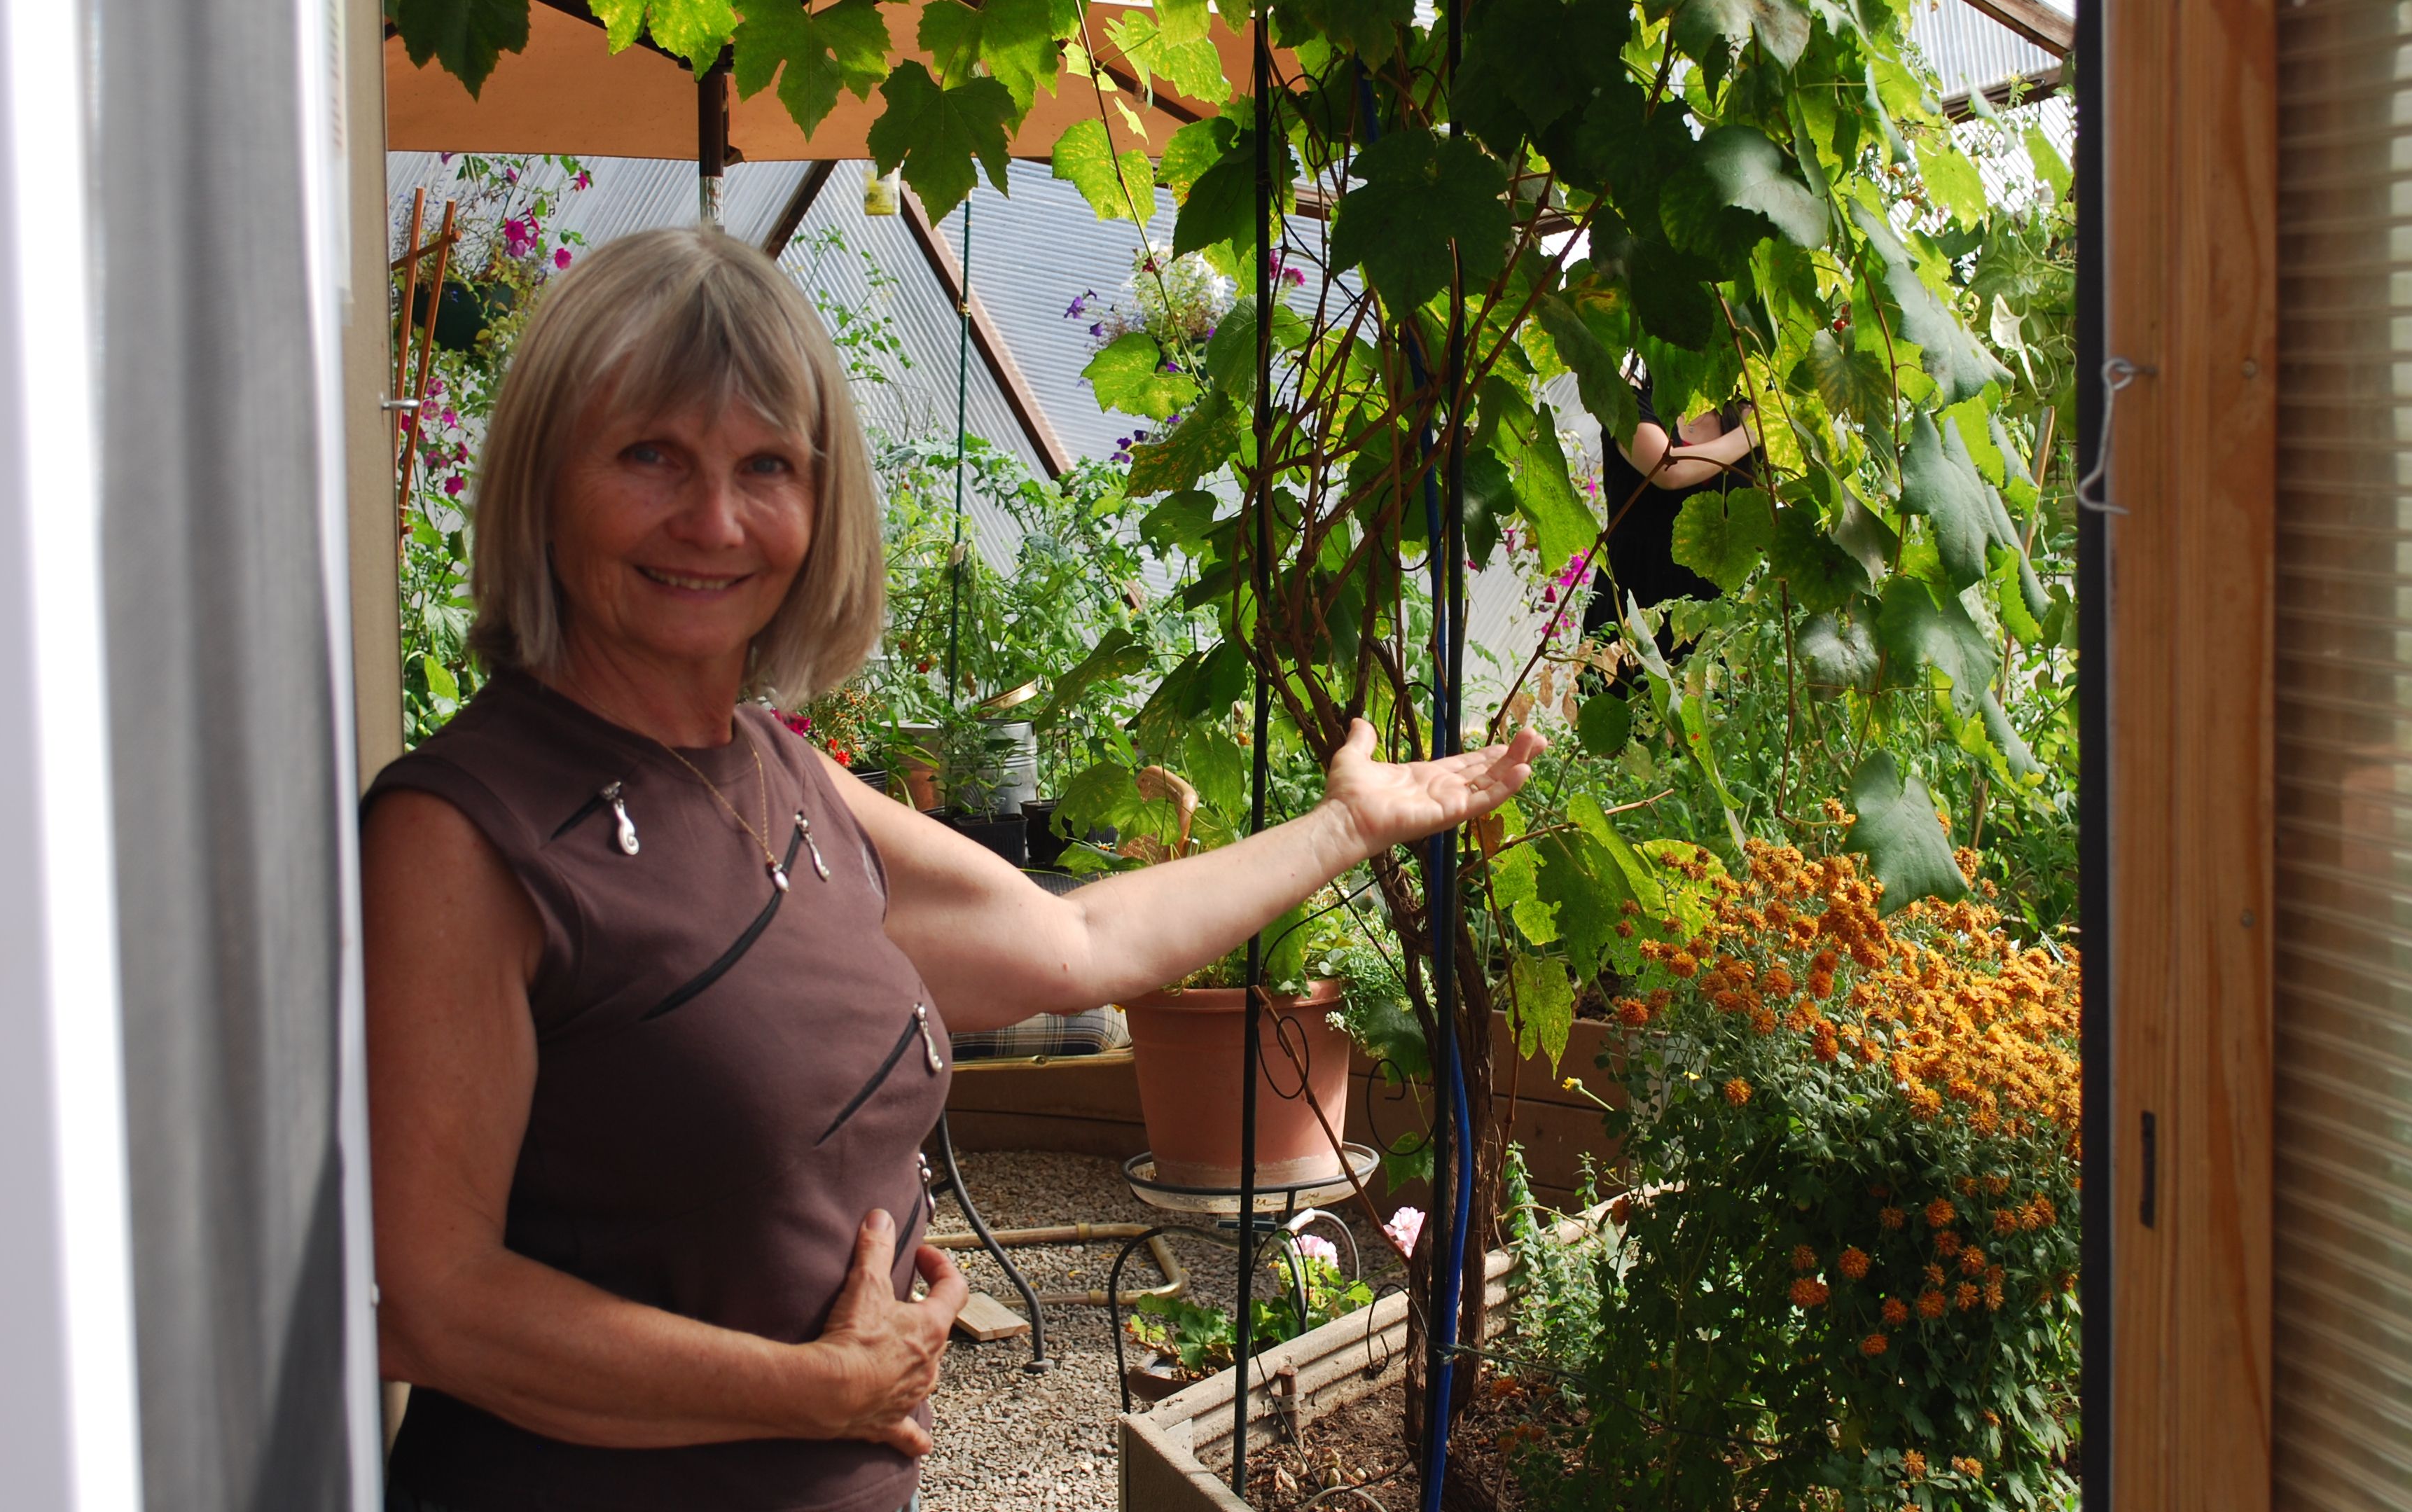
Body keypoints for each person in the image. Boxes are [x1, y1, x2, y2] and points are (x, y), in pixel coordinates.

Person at [362, 229, 1544, 1512]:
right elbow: (427, 1300)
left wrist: (1346, 826)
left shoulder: (777, 774)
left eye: (765, 465)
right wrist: (813, 1390)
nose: (712, 519)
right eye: (648, 455)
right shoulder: (466, 834)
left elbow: (1077, 945)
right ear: (544, 482)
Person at [1579, 375, 1759, 661]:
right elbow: (1668, 469)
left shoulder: (1742, 417)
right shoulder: (1629, 402)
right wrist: (1751, 435)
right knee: (1615, 691)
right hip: (1630, 596)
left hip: (1703, 613)